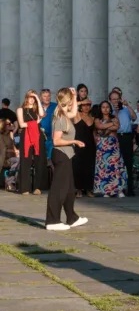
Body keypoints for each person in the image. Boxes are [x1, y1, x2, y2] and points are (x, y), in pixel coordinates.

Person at [45, 88, 88, 231]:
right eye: (71, 101)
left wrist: (75, 96)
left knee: (69, 190)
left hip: (66, 155)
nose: (72, 105)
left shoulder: (64, 113)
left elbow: (74, 112)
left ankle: (72, 218)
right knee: (59, 189)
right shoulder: (60, 117)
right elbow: (56, 141)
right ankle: (52, 220)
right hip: (61, 155)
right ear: (66, 102)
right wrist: (74, 141)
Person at [93, 101, 128, 197]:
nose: (105, 109)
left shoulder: (114, 118)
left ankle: (118, 190)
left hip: (113, 144)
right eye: (103, 107)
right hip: (103, 145)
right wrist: (111, 124)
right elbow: (99, 126)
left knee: (116, 166)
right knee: (104, 167)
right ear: (100, 108)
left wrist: (107, 127)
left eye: (107, 107)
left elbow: (117, 126)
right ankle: (106, 190)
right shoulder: (97, 119)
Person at [17, 90, 48, 195]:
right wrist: (35, 122)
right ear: (26, 97)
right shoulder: (20, 109)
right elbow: (22, 124)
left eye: (34, 97)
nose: (32, 99)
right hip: (26, 135)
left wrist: (38, 99)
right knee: (26, 160)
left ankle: (38, 187)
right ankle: (24, 187)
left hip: (37, 134)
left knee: (39, 160)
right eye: (30, 97)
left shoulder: (37, 108)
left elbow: (42, 114)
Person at [109, 90, 138, 196]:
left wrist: (128, 105)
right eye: (114, 99)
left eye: (117, 99)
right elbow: (113, 123)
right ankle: (115, 188)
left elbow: (135, 117)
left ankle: (129, 188)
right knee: (115, 163)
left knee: (128, 162)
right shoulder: (110, 111)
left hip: (126, 136)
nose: (116, 101)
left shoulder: (126, 110)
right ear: (110, 100)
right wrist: (116, 111)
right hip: (116, 137)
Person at [72, 98, 96, 197]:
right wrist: (81, 101)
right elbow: (70, 106)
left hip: (90, 145)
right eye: (84, 105)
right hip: (79, 144)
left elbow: (94, 133)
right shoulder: (77, 115)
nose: (86, 107)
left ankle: (89, 189)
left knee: (89, 167)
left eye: (88, 105)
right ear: (81, 107)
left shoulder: (92, 117)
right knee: (78, 167)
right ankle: (79, 189)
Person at [39, 88, 57, 160]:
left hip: (52, 138)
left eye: (48, 96)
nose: (47, 98)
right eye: (45, 96)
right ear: (41, 97)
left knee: (51, 159)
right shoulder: (37, 107)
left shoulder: (55, 106)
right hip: (39, 137)